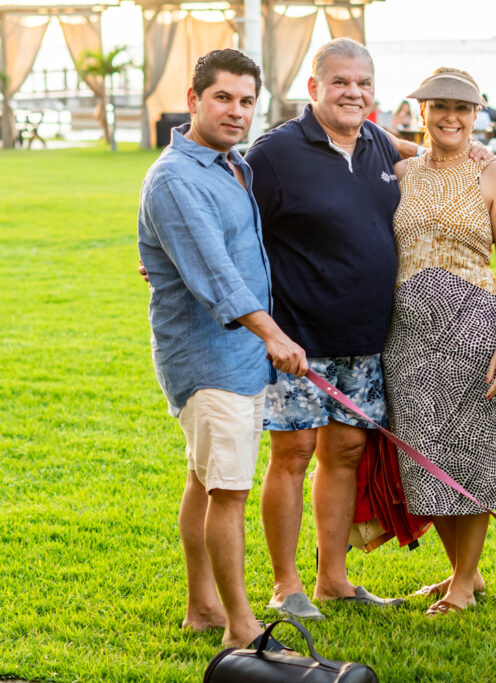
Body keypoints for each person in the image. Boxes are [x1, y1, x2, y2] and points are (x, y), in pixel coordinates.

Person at [138, 49, 308, 649]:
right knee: (231, 491)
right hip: (209, 359)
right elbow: (217, 275)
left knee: (207, 480)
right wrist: (275, 335)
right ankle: (242, 626)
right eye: (223, 98)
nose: (236, 111)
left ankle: (203, 607)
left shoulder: (231, 164)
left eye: (246, 101)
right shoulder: (177, 178)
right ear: (193, 100)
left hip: (235, 359)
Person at [244, 37, 406, 621]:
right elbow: (226, 215)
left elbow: (429, 152)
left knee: (347, 452)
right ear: (313, 88)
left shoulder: (380, 145)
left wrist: (478, 152)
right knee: (293, 453)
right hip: (296, 342)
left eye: (363, 83)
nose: (353, 92)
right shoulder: (275, 153)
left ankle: (333, 578)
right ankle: (286, 585)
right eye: (340, 82)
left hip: (364, 339)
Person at [385, 68, 496, 616]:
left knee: (471, 457)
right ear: (420, 110)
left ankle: (464, 584)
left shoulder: (494, 175)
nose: (451, 117)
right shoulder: (400, 172)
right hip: (407, 337)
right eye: (440, 106)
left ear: (478, 115)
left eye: (463, 109)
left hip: (472, 328)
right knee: (426, 460)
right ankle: (459, 572)